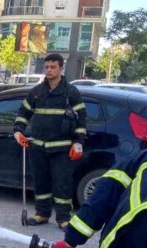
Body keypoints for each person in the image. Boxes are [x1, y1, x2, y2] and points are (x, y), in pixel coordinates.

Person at [13, 53, 87, 230]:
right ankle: (42, 214)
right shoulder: (37, 92)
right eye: (46, 67)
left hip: (62, 149)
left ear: (61, 68)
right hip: (38, 146)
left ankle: (63, 218)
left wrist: (78, 143)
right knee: (41, 181)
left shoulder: (70, 92)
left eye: (53, 67)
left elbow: (81, 119)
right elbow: (23, 113)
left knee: (62, 183)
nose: (49, 70)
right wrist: (18, 132)